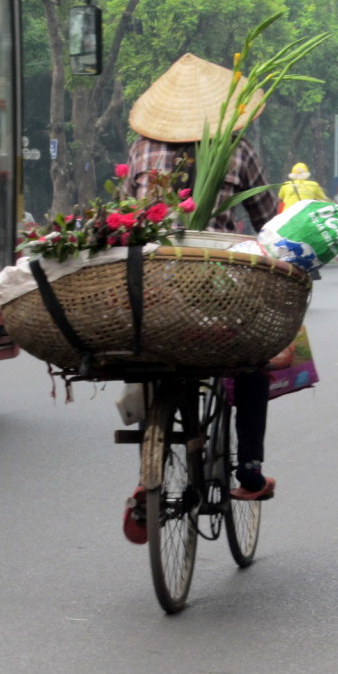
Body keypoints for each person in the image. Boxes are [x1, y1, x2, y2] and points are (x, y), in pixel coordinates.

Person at [120, 53, 278, 544]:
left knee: (151, 352)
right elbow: (268, 219)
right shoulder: (238, 150)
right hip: (216, 287)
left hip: (153, 286)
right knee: (253, 356)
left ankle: (151, 469)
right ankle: (249, 470)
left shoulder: (143, 149)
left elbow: (126, 212)